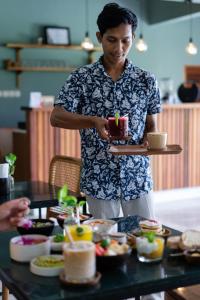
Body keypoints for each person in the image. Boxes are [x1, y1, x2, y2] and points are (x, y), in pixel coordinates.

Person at [50, 3, 161, 220]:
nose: (119, 48)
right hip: (98, 179)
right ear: (99, 37)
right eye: (112, 40)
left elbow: (151, 124)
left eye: (126, 40)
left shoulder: (146, 80)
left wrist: (149, 139)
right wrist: (93, 121)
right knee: (104, 243)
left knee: (142, 240)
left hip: (137, 177)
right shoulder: (80, 78)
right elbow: (56, 116)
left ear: (133, 38)